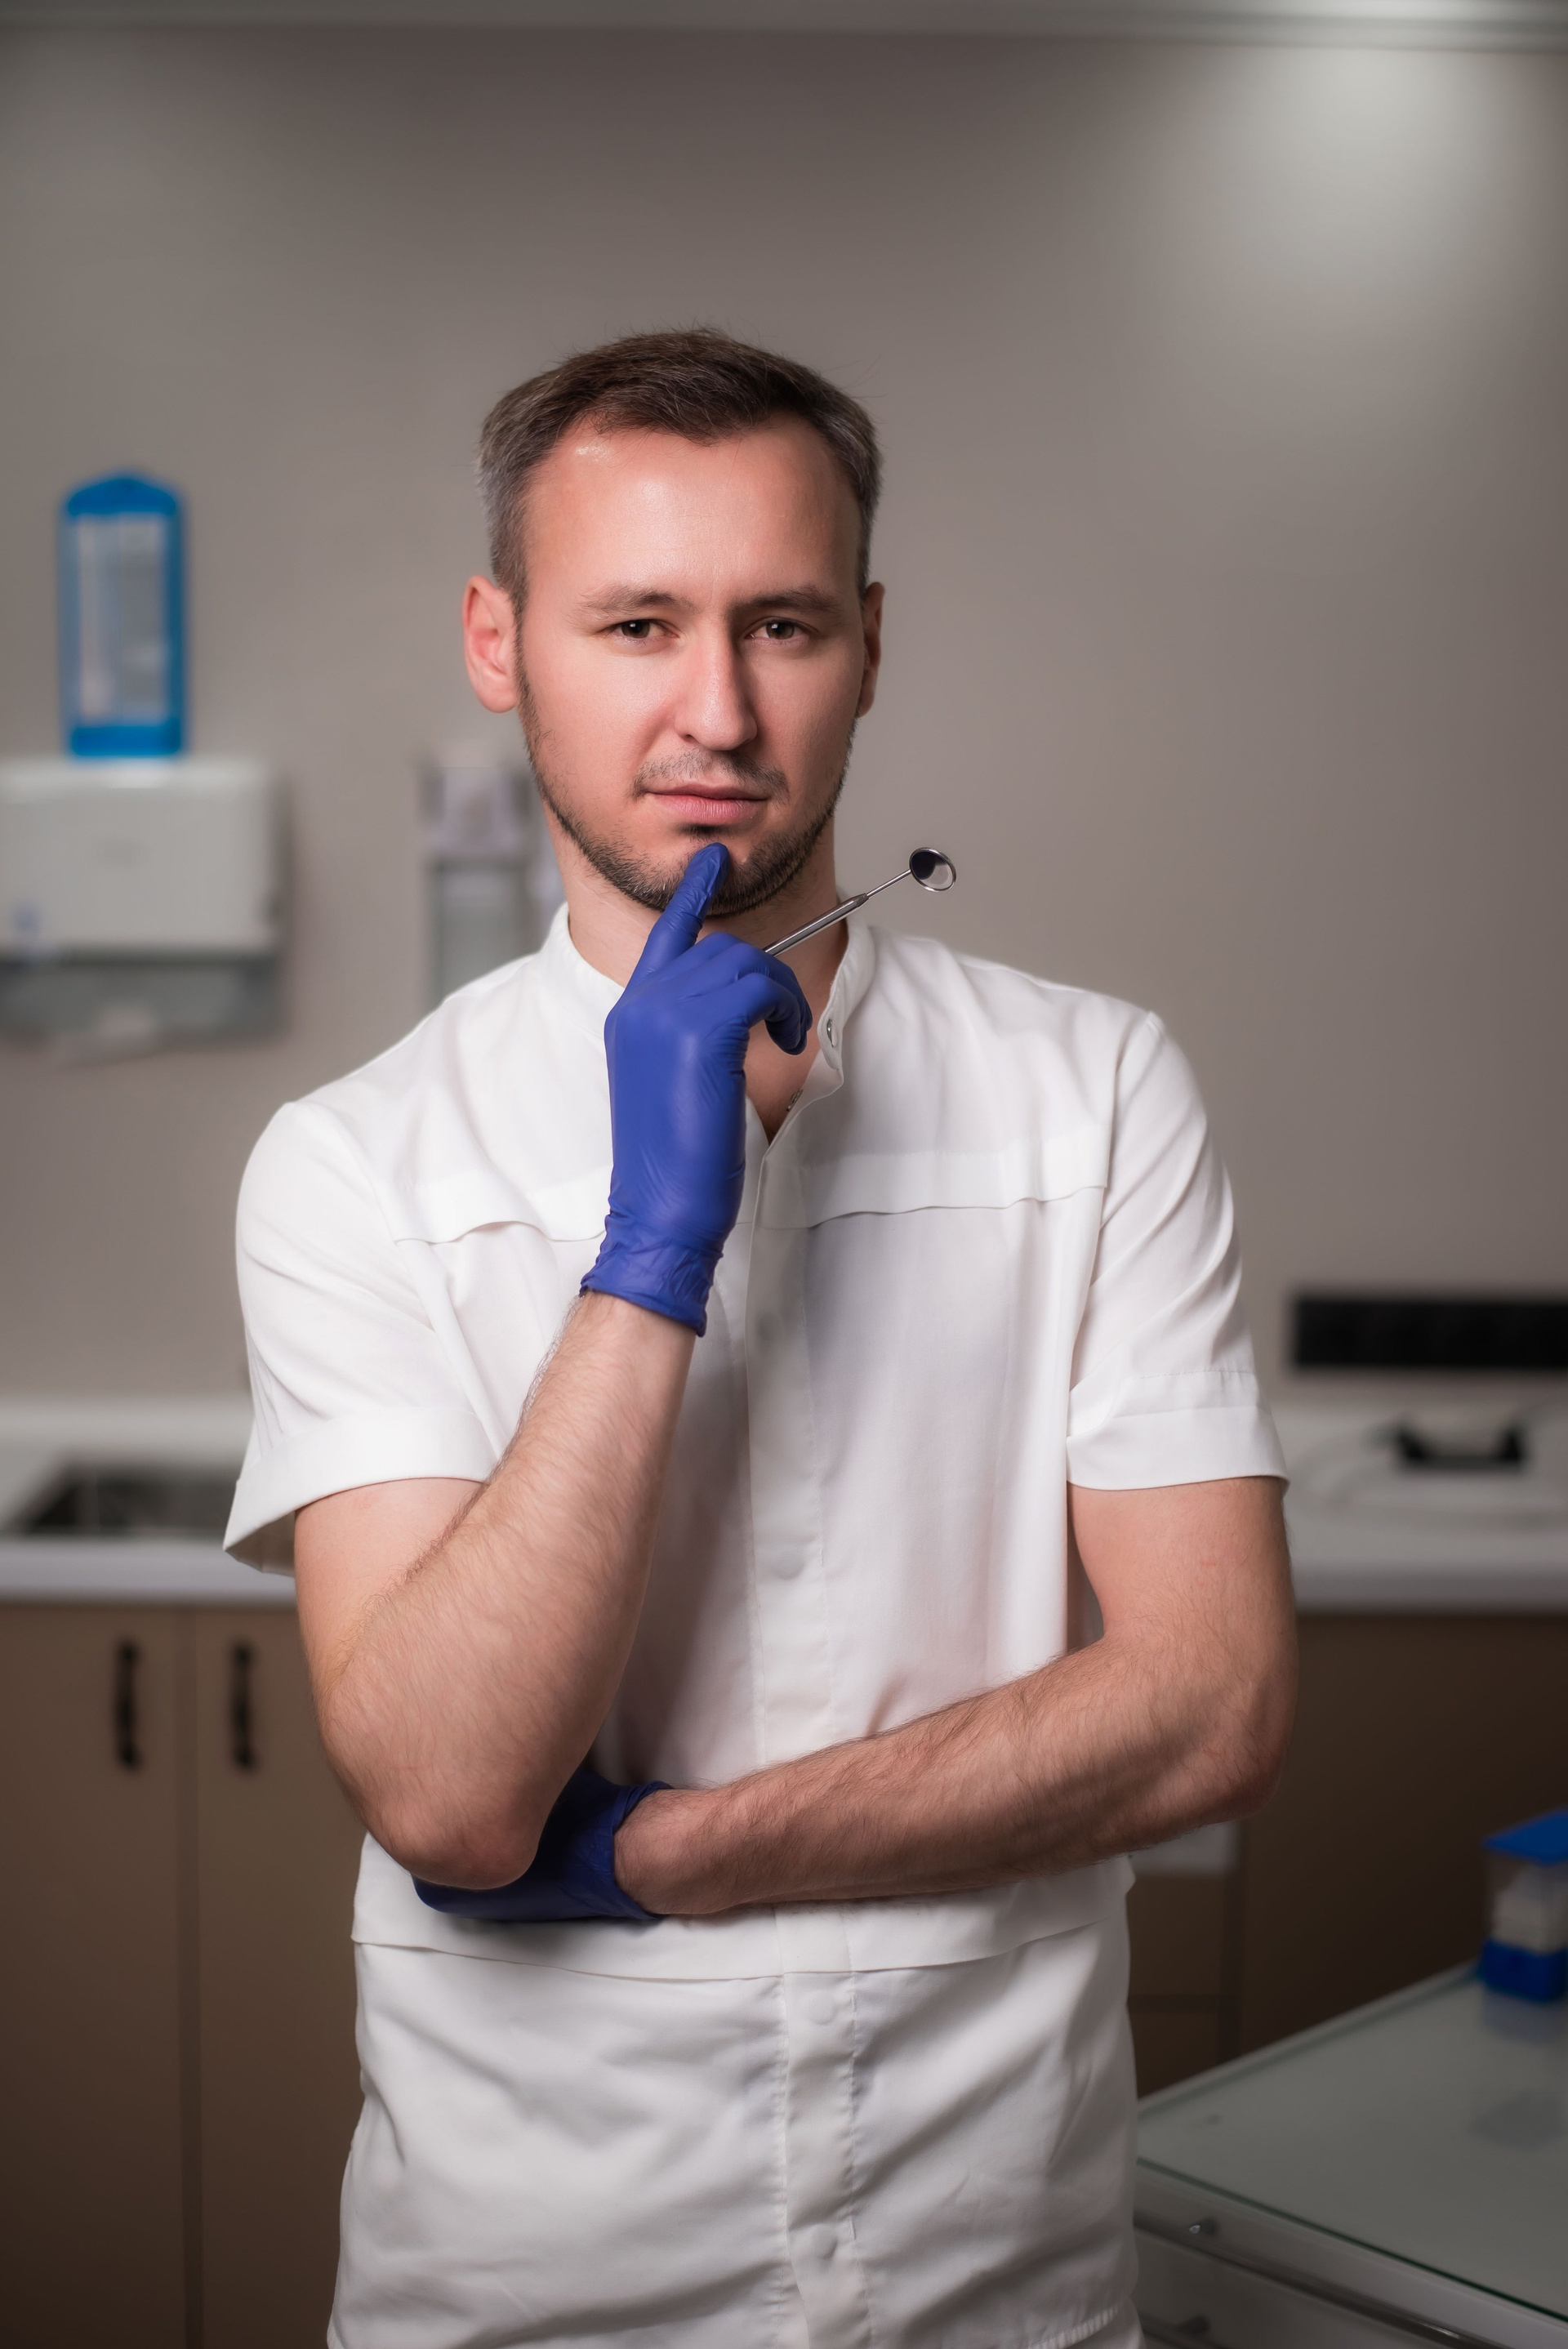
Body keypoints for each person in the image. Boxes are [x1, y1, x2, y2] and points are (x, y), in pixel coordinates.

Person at [225, 328, 1296, 2349]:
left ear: (870, 644)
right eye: (636, 623)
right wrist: (652, 1247)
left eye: (781, 624)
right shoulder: (355, 1162)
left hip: (1000, 2270)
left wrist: (671, 1854)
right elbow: (451, 1794)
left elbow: (1212, 1702)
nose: (714, 709)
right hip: (532, 2283)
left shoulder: (1092, 1092)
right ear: (499, 644)